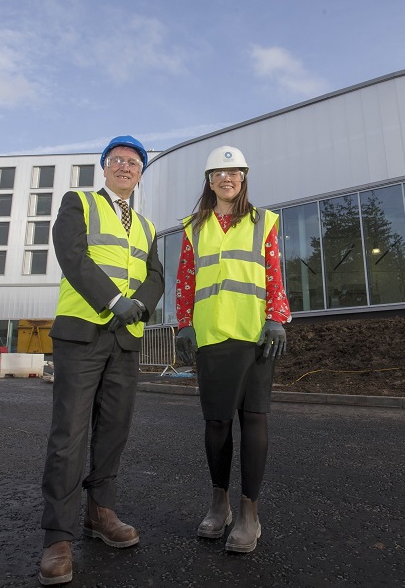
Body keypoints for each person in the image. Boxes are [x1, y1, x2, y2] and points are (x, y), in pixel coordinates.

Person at [39, 135, 164, 585]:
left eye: (134, 162)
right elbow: (71, 256)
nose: (126, 167)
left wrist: (140, 307)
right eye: (118, 160)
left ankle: (100, 512)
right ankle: (58, 536)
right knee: (69, 433)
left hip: (126, 339)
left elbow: (155, 275)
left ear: (141, 172)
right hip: (82, 333)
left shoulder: (147, 227)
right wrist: (114, 301)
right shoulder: (79, 202)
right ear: (105, 167)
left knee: (113, 430)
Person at [174, 145, 290, 554]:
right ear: (209, 181)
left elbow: (274, 271)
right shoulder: (194, 227)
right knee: (218, 423)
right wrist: (184, 324)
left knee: (254, 419)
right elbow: (186, 277)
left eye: (235, 172)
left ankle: (249, 514)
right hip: (211, 336)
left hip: (256, 334)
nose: (227, 178)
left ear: (243, 178)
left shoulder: (265, 222)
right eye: (219, 173)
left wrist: (277, 316)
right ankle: (219, 504)